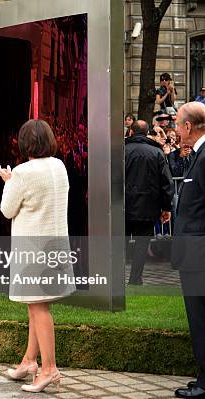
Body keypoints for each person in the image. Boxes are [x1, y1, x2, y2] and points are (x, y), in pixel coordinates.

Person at [0, 119, 75, 393]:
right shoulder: (59, 166)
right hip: (55, 245)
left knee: (38, 308)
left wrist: (9, 182)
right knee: (36, 305)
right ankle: (30, 361)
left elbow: (7, 210)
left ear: (24, 143)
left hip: (33, 249)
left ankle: (49, 368)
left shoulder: (21, 172)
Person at [171, 102, 205, 399]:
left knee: (200, 317)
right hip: (193, 252)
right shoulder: (197, 155)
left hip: (199, 254)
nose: (174, 129)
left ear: (187, 127)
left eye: (177, 123)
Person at [125, 120, 174, 285]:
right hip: (148, 206)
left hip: (124, 205)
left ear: (131, 132)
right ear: (146, 133)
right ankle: (135, 279)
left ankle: (117, 277)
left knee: (120, 242)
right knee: (141, 244)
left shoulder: (121, 151)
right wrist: (166, 207)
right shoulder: (156, 152)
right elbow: (166, 182)